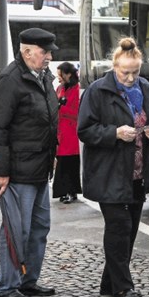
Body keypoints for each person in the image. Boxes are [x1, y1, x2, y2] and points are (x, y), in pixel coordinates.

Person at [78, 37, 149, 297]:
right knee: (119, 228)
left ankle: (109, 283)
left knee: (129, 232)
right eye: (124, 73)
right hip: (109, 174)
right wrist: (115, 133)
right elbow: (84, 130)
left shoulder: (146, 88)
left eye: (135, 72)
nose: (130, 78)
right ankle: (122, 289)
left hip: (138, 174)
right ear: (114, 67)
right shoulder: (97, 91)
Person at [0, 27, 60, 297]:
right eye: (45, 52)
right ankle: (8, 286)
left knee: (40, 227)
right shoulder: (10, 80)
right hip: (18, 171)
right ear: (27, 51)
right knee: (16, 230)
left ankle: (28, 281)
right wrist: (1, 171)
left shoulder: (43, 77)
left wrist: (52, 154)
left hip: (40, 168)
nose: (49, 57)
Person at [52, 61, 82, 204]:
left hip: (71, 132)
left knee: (70, 162)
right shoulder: (60, 88)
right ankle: (66, 191)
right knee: (62, 162)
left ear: (68, 74)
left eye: (60, 74)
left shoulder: (77, 89)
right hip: (62, 131)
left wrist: (60, 108)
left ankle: (70, 191)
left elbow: (77, 112)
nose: (59, 77)